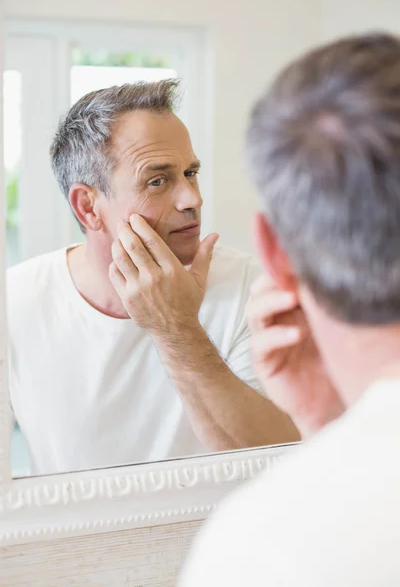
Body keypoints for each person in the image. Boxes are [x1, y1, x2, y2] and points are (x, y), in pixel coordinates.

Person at [8, 79, 328, 475]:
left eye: (190, 173)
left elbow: (277, 466)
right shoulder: (16, 302)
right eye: (157, 181)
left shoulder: (249, 285)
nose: (192, 199)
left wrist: (175, 328)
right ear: (88, 207)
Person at [179, 33, 400, 587]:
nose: (188, 200)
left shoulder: (262, 549)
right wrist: (330, 428)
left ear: (273, 250)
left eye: (190, 174)